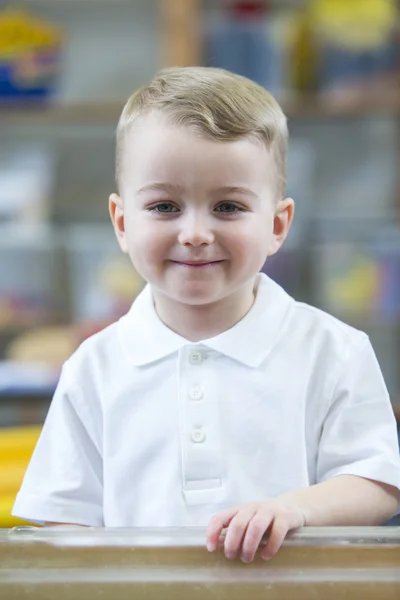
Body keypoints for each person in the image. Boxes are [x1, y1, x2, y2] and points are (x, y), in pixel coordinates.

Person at [12, 67, 400, 564]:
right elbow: (65, 519)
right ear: (123, 223)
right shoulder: (95, 366)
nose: (195, 232)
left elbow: (377, 482)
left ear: (277, 224)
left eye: (228, 207)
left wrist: (293, 510)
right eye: (166, 206)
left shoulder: (334, 350)